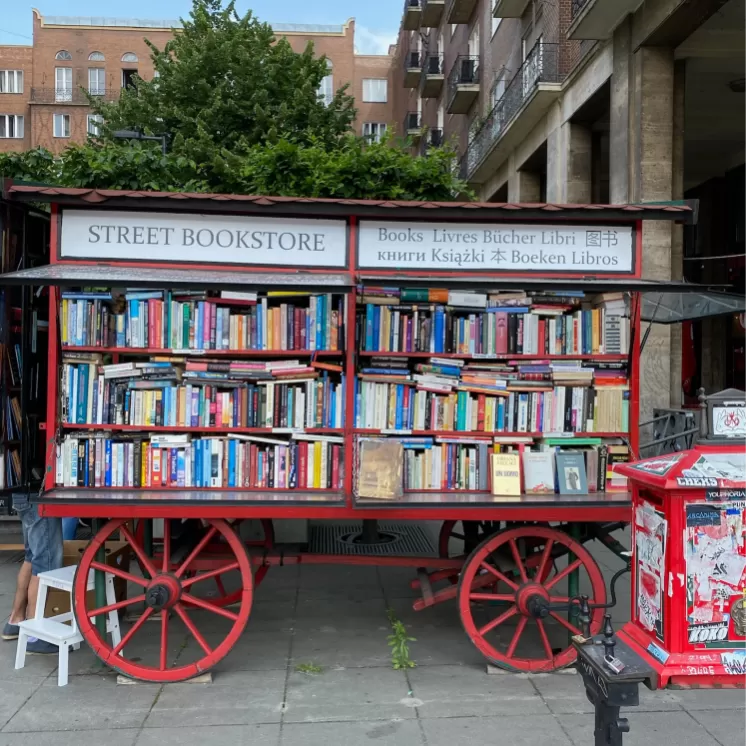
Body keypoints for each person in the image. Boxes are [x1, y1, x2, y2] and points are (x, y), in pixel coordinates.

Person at [2, 493, 63, 654]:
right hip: (41, 496)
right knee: (45, 563)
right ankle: (37, 636)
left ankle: (15, 620)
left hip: (24, 495)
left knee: (32, 557)